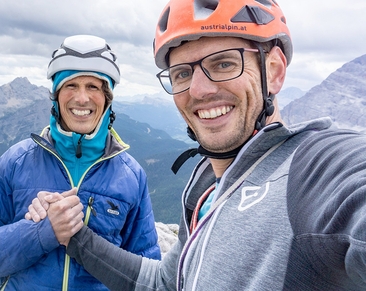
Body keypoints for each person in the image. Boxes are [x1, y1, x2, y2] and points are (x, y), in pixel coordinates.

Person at [27, 1, 366, 290]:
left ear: (274, 71)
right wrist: (74, 237)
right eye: (182, 73)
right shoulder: (204, 190)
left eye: (223, 63)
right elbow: (164, 282)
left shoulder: (314, 171)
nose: (200, 90)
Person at [0, 34, 161, 290]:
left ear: (107, 99)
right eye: (71, 85)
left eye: (94, 87)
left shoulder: (131, 176)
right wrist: (43, 231)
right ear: (56, 95)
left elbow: (148, 275)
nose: (82, 98)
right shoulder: (16, 162)